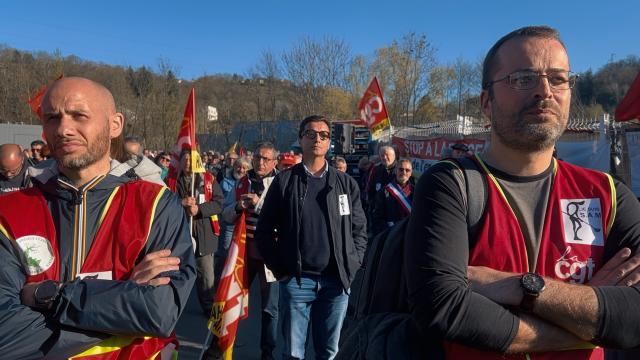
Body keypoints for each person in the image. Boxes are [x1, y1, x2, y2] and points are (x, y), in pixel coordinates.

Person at [405, 26, 640, 360]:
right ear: (486, 103)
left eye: (558, 78)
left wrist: (524, 287)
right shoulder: (452, 184)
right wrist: (589, 321)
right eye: (523, 78)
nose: (544, 91)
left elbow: (634, 319)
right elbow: (443, 308)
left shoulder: (608, 194)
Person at [0, 77, 196, 359]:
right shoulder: (9, 213)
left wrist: (49, 295)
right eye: (53, 118)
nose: (64, 129)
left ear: (114, 125)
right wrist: (121, 303)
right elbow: (5, 335)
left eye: (79, 115)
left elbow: (158, 313)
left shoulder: (155, 205)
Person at [256, 115, 367, 360]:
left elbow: (359, 230)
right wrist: (281, 270)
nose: (317, 139)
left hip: (336, 283)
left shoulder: (346, 184)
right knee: (294, 353)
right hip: (297, 281)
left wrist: (353, 263)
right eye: (311, 133)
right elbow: (263, 232)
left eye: (323, 135)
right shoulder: (284, 182)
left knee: (329, 352)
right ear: (300, 139)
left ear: (329, 142)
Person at [211, 142, 280, 360]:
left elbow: (284, 218)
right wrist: (239, 207)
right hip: (243, 253)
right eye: (258, 157)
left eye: (266, 159)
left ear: (274, 162)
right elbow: (226, 214)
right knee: (227, 298)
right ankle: (217, 348)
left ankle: (267, 353)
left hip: (270, 256)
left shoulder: (281, 183)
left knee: (270, 309)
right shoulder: (242, 182)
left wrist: (259, 204)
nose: (260, 162)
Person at [167, 150, 224, 316]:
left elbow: (219, 204)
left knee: (206, 276)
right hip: (178, 235)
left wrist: (198, 209)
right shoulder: (170, 181)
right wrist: (180, 202)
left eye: (191, 159)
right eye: (185, 159)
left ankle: (209, 309)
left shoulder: (209, 179)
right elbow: (162, 203)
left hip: (204, 235)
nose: (188, 163)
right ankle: (172, 307)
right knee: (175, 273)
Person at [372, 158, 413, 236]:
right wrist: (389, 231)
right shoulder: (384, 191)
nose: (404, 172)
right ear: (395, 171)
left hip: (410, 235)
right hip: (391, 235)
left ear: (411, 173)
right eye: (401, 169)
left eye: (407, 170)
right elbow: (377, 218)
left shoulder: (415, 192)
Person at [366, 146, 397, 218]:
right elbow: (370, 189)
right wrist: (373, 205)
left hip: (395, 214)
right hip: (379, 212)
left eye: (387, 155)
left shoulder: (401, 169)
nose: (384, 157)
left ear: (393, 156)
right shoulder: (376, 169)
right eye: (382, 155)